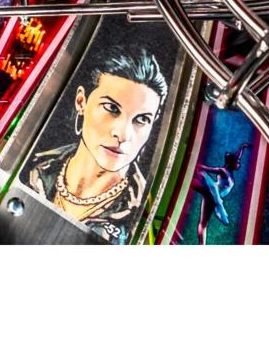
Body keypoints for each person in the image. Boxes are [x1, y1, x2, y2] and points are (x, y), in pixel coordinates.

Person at [25, 46, 167, 244]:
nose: (123, 134)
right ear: (81, 101)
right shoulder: (32, 168)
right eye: (111, 108)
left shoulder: (142, 215)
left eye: (142, 119)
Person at [191, 143, 251, 243]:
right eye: (237, 162)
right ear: (231, 163)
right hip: (211, 191)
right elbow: (206, 168)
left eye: (238, 161)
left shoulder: (229, 171)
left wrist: (242, 147)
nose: (239, 163)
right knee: (202, 176)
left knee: (204, 223)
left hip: (213, 198)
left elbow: (236, 156)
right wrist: (196, 165)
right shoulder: (223, 171)